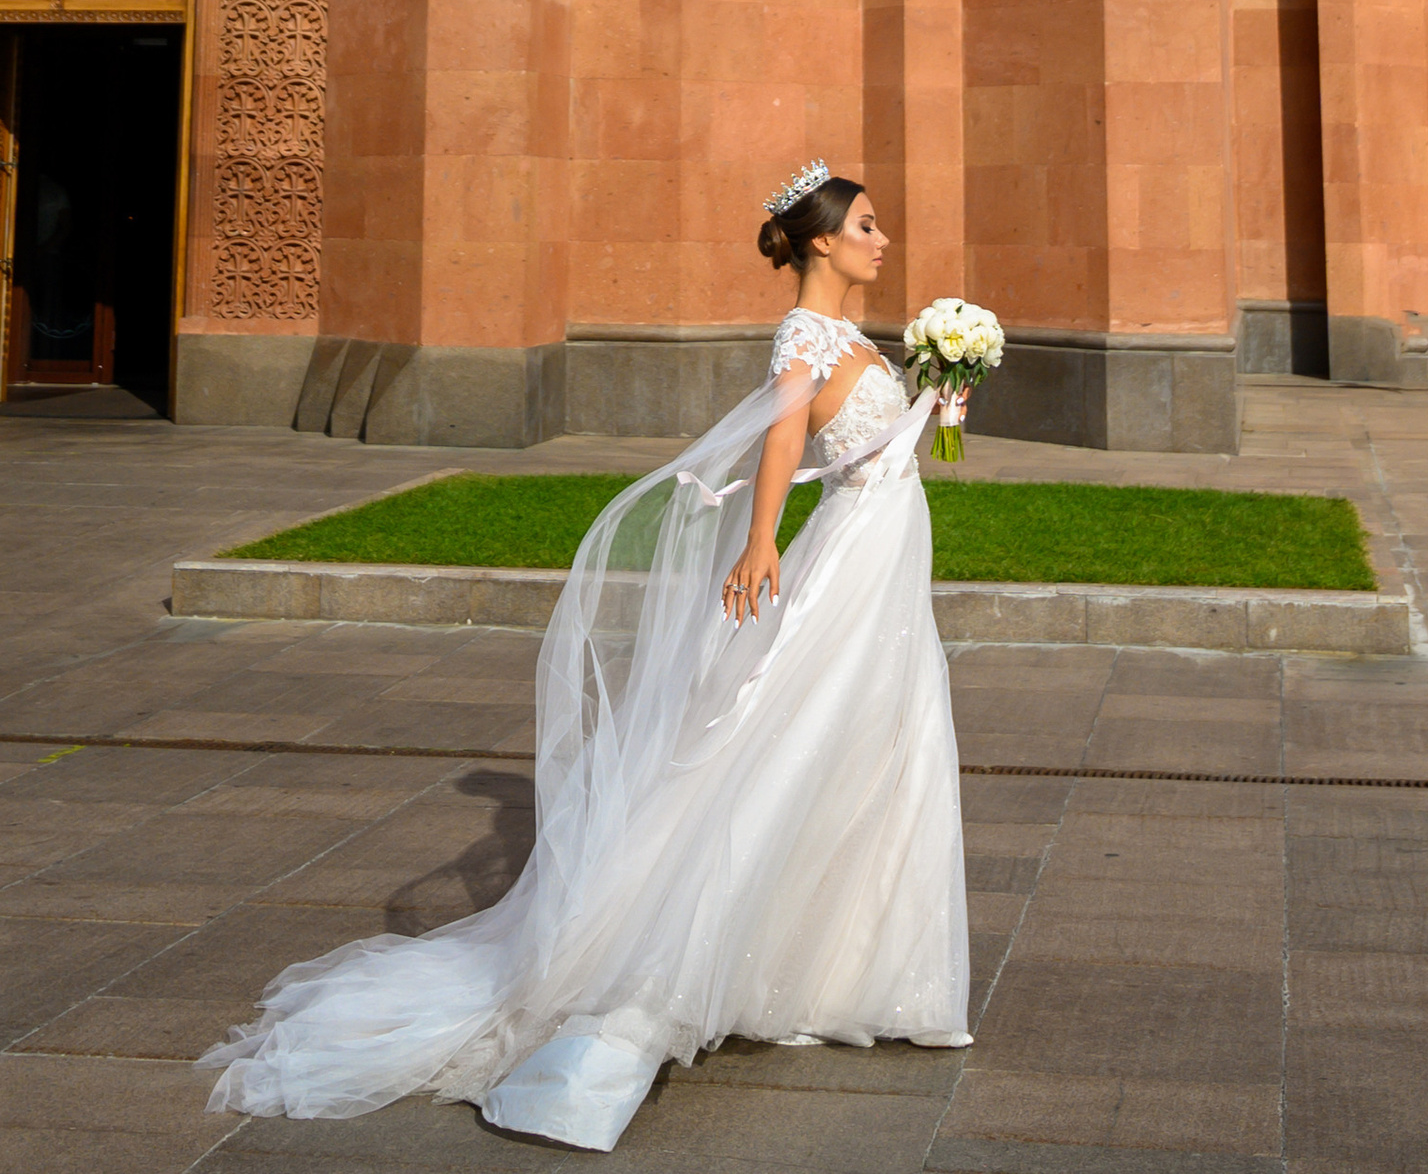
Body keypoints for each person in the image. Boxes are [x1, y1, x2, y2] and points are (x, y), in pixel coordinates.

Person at [200, 168, 970, 1152]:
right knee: (793, 739)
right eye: (866, 224)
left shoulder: (858, 340)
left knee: (875, 745)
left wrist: (943, 397)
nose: (882, 237)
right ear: (821, 240)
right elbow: (782, 441)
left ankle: (845, 970)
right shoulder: (804, 338)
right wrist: (759, 543)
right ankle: (684, 961)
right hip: (849, 559)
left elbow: (877, 449)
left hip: (887, 553)